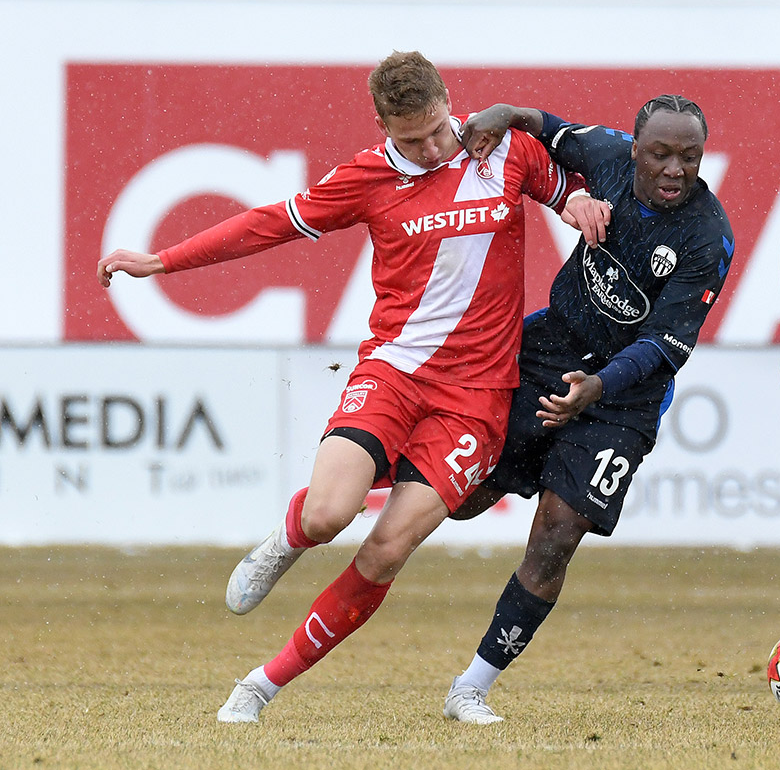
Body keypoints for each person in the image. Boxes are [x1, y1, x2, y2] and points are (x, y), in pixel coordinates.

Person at [96, 50, 588, 724]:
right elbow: (267, 223)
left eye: (438, 129)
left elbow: (573, 186)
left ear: (449, 101)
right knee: (329, 513)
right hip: (392, 372)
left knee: (386, 550)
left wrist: (582, 202)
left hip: (477, 398)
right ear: (383, 125)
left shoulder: (504, 148)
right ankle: (286, 542)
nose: (430, 147)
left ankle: (259, 686)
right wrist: (163, 260)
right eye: (411, 139)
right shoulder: (366, 176)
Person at [438, 95, 736, 724]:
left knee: (555, 537)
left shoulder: (708, 237)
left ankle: (471, 688)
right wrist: (498, 113)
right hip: (545, 357)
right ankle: (351, 486)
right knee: (461, 498)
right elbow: (539, 125)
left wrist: (597, 387)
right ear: (634, 150)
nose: (675, 168)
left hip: (621, 400)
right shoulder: (601, 157)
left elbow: (664, 344)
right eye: (660, 154)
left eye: (689, 156)